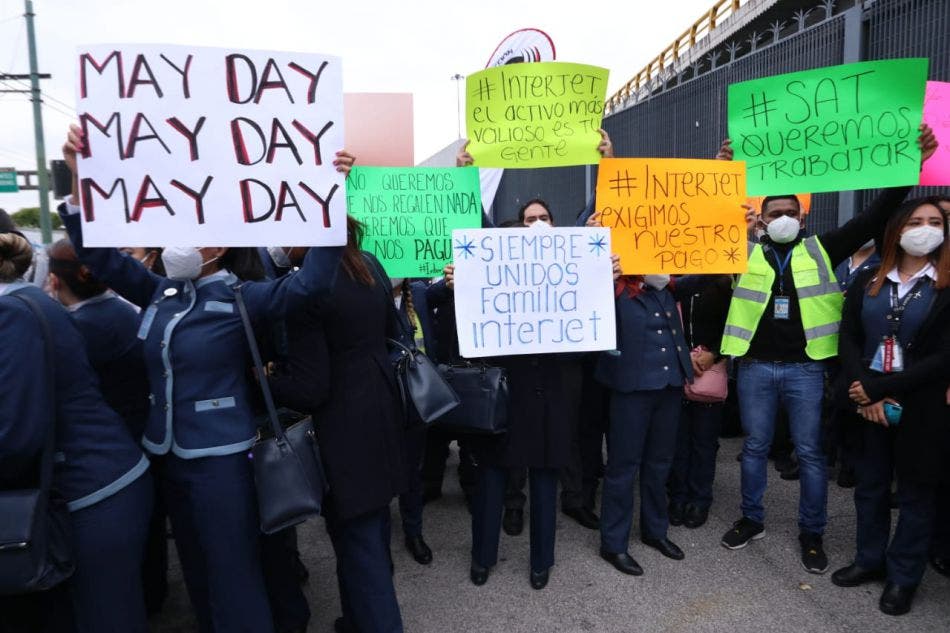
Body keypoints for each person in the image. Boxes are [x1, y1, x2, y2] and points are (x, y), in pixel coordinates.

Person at [58, 124, 348, 633]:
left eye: (203, 228)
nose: (186, 239)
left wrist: (331, 197)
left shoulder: (242, 297)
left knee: (234, 576)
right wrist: (80, 179)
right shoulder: (160, 292)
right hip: (166, 457)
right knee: (196, 577)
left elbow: (313, 283)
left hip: (222, 464)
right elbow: (99, 257)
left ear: (226, 244)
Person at [718, 126, 937, 574]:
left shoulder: (823, 248)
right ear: (761, 219)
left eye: (790, 212)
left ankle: (811, 533)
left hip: (805, 371)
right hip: (756, 369)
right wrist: (723, 172)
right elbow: (699, 224)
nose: (782, 218)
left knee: (811, 453)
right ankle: (751, 519)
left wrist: (908, 169)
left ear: (802, 218)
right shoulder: (738, 251)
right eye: (773, 212)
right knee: (756, 447)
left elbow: (876, 216)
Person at [0, 230, 154, 633]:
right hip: (103, 481)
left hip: (93, 486)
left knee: (105, 617)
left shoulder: (13, 311)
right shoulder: (27, 300)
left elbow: (16, 434)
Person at [266, 225, 407, 633]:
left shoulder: (306, 291)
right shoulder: (370, 265)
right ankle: (357, 620)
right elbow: (390, 333)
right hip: (381, 414)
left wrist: (264, 380)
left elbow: (311, 389)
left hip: (343, 434)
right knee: (369, 538)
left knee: (361, 550)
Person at [832, 196, 950, 616]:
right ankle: (868, 559)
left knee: (917, 493)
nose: (925, 228)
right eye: (915, 220)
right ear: (897, 228)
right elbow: (847, 337)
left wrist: (887, 390)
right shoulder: (869, 279)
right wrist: (863, 387)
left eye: (934, 221)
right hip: (866, 400)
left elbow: (942, 356)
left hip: (922, 404)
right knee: (870, 487)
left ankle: (903, 577)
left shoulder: (945, 284)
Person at [668, 273, 733, 529]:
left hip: (709, 370)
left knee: (704, 443)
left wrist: (715, 354)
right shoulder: (667, 283)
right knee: (677, 442)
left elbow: (734, 326)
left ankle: (700, 498)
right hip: (675, 371)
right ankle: (677, 497)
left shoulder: (723, 284)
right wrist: (683, 356)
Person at [392, 276, 437, 565]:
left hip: (415, 400)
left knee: (412, 470)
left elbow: (446, 291)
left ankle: (414, 531)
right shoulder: (365, 295)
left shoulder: (419, 293)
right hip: (380, 400)